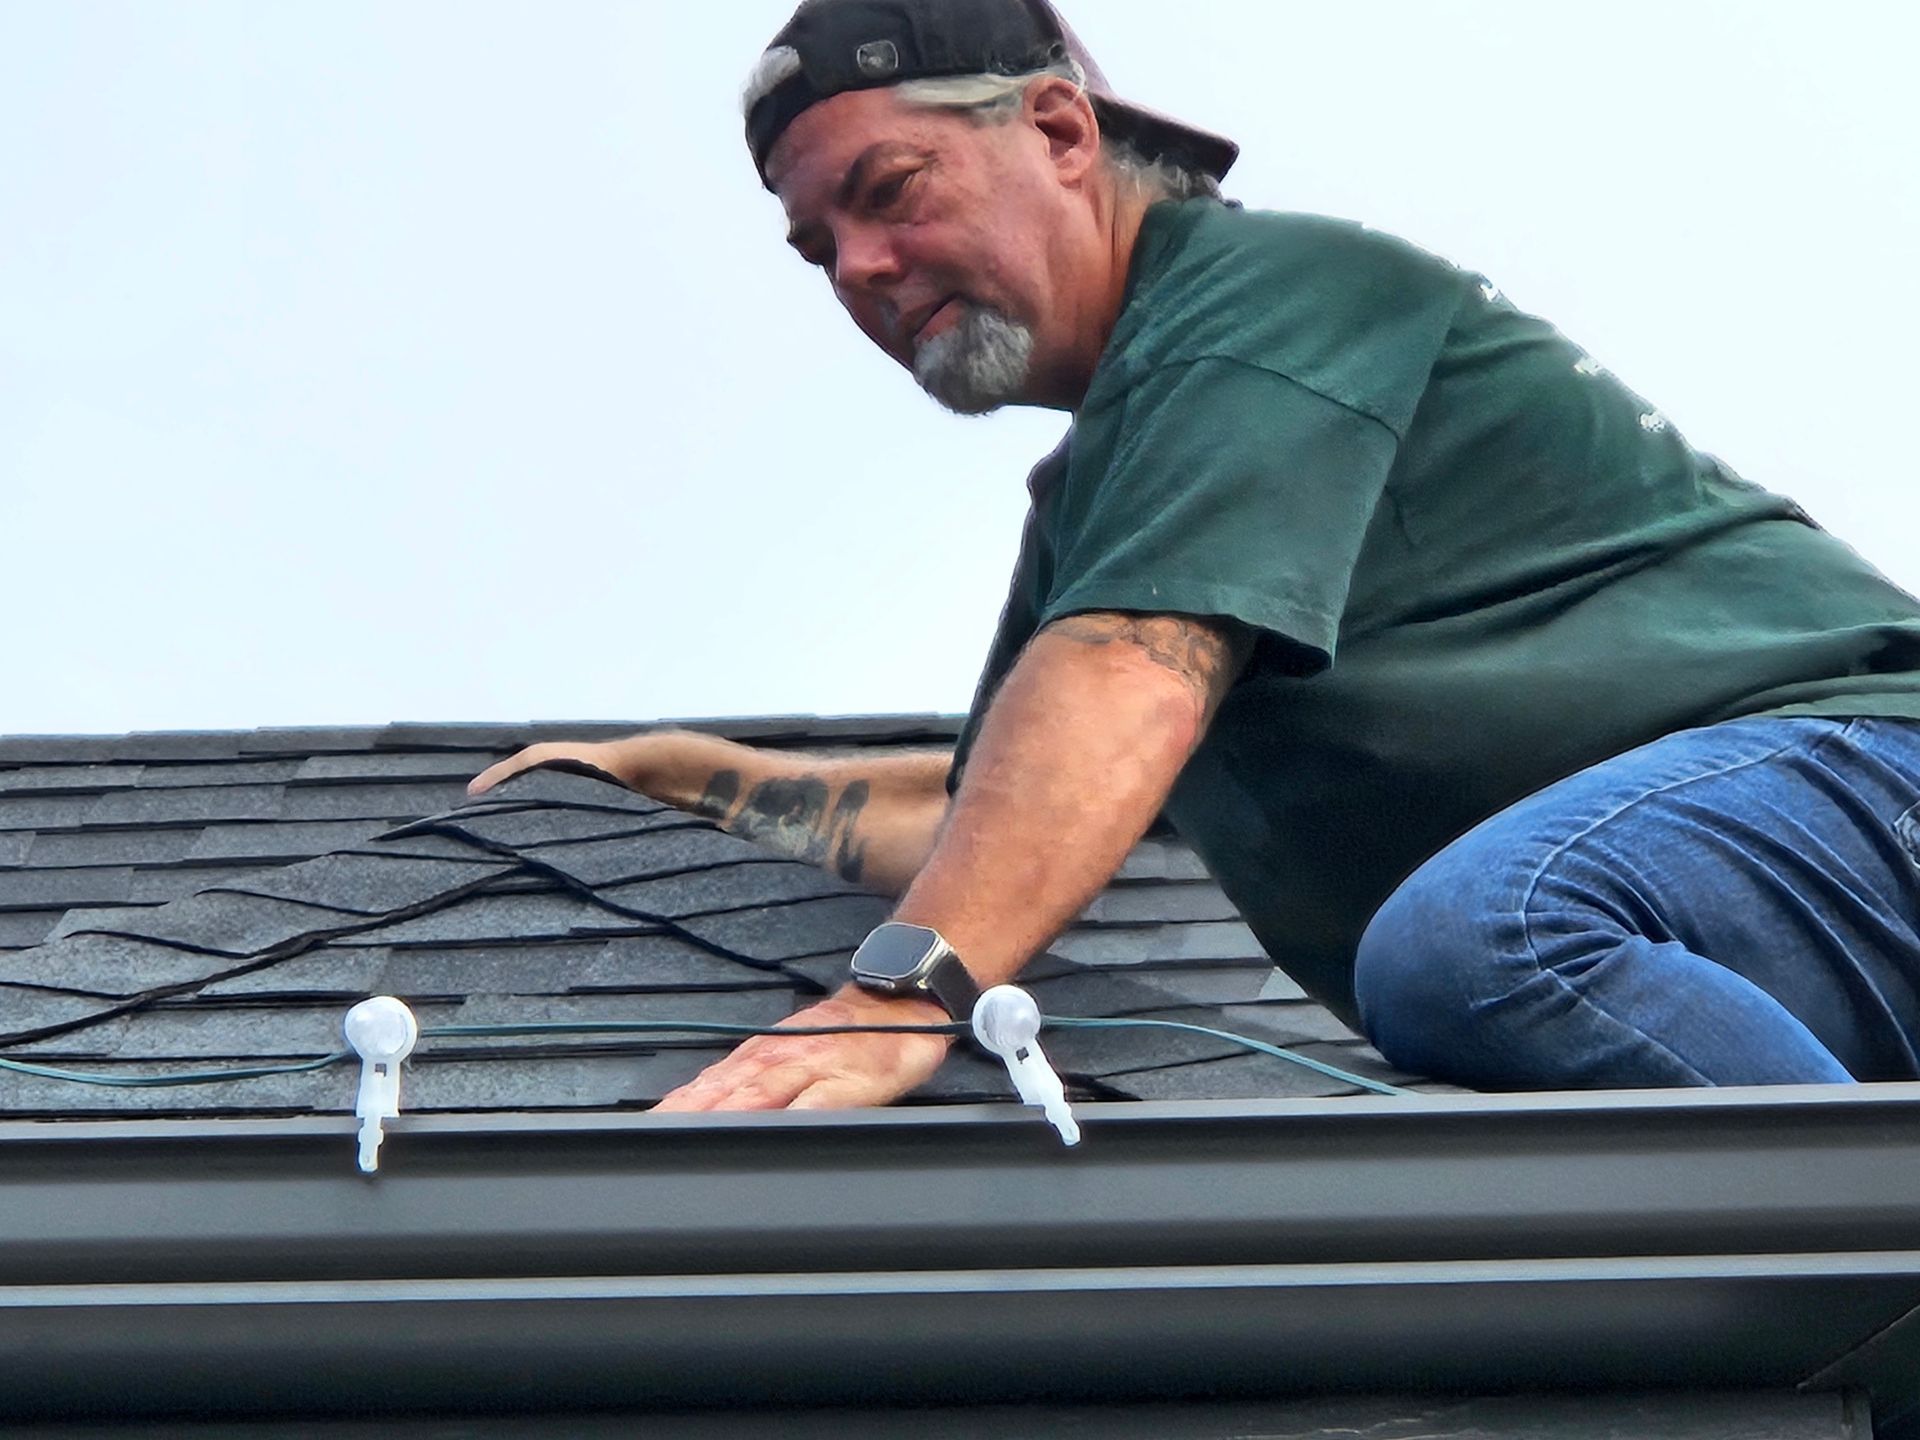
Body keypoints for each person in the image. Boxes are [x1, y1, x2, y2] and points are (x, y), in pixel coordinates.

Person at [472, 0, 1920, 1108]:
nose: (855, 268)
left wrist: (896, 1000)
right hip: (1738, 917)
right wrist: (691, 780)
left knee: (1484, 944)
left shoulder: (1259, 299)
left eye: (890, 188)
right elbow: (997, 819)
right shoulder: (1115, 494)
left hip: (1871, 781)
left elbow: (1124, 680)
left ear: (1056, 130)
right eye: (815, 248)